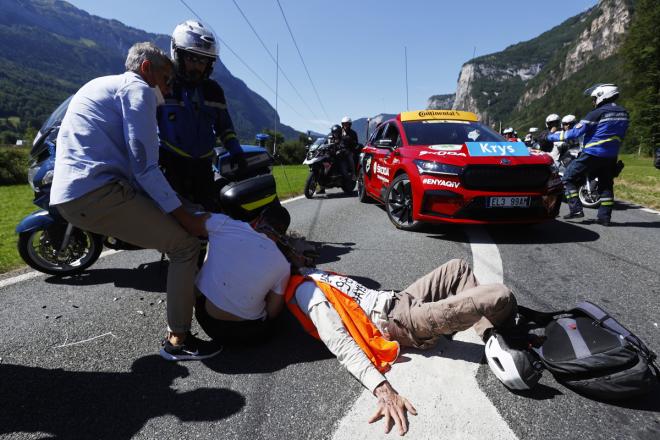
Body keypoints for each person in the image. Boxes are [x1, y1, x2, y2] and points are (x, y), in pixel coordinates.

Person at [50, 42, 221, 361]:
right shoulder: (138, 90)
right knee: (185, 246)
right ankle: (179, 340)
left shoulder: (101, 84)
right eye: (167, 78)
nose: (169, 87)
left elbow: (131, 165)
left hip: (73, 194)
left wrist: (177, 203)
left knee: (174, 230)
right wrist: (186, 216)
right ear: (147, 70)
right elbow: (145, 167)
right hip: (100, 191)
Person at [285, 258, 517, 435]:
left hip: (398, 298)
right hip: (397, 321)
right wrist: (384, 391)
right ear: (290, 254)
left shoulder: (315, 273)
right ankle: (512, 340)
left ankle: (492, 335)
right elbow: (340, 343)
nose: (306, 243)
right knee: (499, 295)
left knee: (458, 267)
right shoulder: (306, 290)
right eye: (297, 242)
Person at [158, 20, 245, 212]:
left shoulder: (214, 91)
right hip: (170, 163)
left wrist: (236, 151)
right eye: (192, 58)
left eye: (203, 60)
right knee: (173, 220)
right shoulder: (163, 85)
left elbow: (225, 127)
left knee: (209, 219)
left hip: (204, 166)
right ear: (177, 54)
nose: (197, 66)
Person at [194, 205, 292, 346]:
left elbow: (192, 217)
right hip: (250, 335)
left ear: (258, 220)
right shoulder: (284, 266)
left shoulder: (225, 224)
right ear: (281, 235)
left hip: (210, 324)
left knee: (206, 249)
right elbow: (272, 312)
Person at [544, 84, 629, 225]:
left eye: (594, 98)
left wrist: (549, 137)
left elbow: (574, 133)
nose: (593, 101)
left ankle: (576, 209)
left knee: (567, 177)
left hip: (592, 153)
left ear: (602, 95)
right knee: (606, 185)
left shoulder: (597, 113)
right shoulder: (624, 113)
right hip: (611, 155)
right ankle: (605, 217)